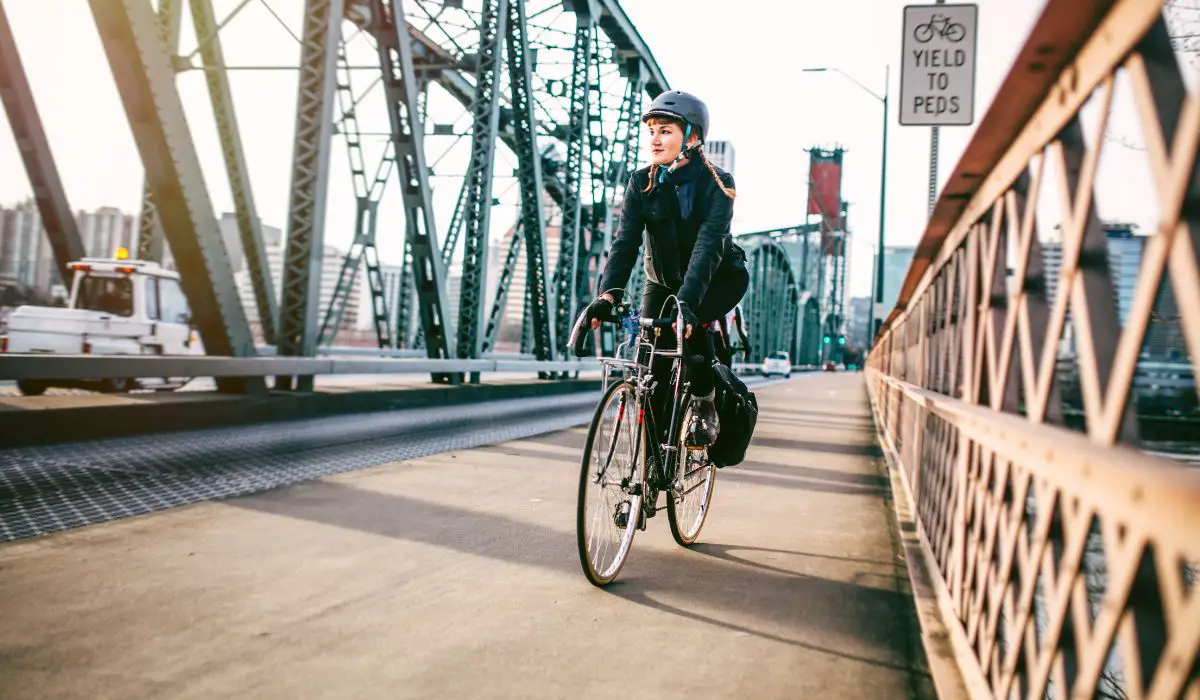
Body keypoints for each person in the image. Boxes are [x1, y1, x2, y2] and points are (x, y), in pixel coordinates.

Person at [580, 90, 749, 449]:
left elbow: (708, 248)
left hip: (718, 278)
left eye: (666, 130)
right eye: (652, 130)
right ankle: (654, 464)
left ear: (692, 137)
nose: (655, 139)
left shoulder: (719, 183)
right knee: (650, 370)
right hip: (662, 282)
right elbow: (625, 244)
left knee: (691, 327)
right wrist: (608, 295)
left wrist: (687, 303)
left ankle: (704, 400)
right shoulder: (641, 182)